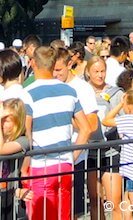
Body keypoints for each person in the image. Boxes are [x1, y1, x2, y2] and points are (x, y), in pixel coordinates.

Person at [24, 46, 90, 219]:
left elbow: (27, 133)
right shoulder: (70, 91)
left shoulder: (27, 94)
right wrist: (72, 156)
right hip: (65, 164)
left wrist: (24, 168)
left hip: (40, 165)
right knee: (64, 214)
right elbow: (86, 128)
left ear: (33, 63)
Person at [52, 48, 99, 218]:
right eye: (52, 70)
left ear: (69, 64)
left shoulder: (82, 88)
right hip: (50, 159)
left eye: (58, 70)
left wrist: (66, 117)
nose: (55, 74)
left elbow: (92, 126)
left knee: (71, 212)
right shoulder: (51, 85)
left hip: (74, 159)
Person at [102, 89, 133, 220]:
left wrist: (119, 104)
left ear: (129, 106)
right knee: (127, 206)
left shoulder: (130, 120)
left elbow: (106, 121)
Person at [85, 56, 124, 220]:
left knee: (114, 201)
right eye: (96, 71)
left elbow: (124, 118)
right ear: (88, 72)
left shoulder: (116, 93)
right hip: (90, 152)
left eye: (103, 71)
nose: (100, 75)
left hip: (111, 151)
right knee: (95, 199)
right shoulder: (83, 91)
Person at [0, 99, 32, 219]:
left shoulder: (23, 141)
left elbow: (1, 149)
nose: (2, 123)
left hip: (7, 196)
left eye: (6, 120)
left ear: (18, 122)